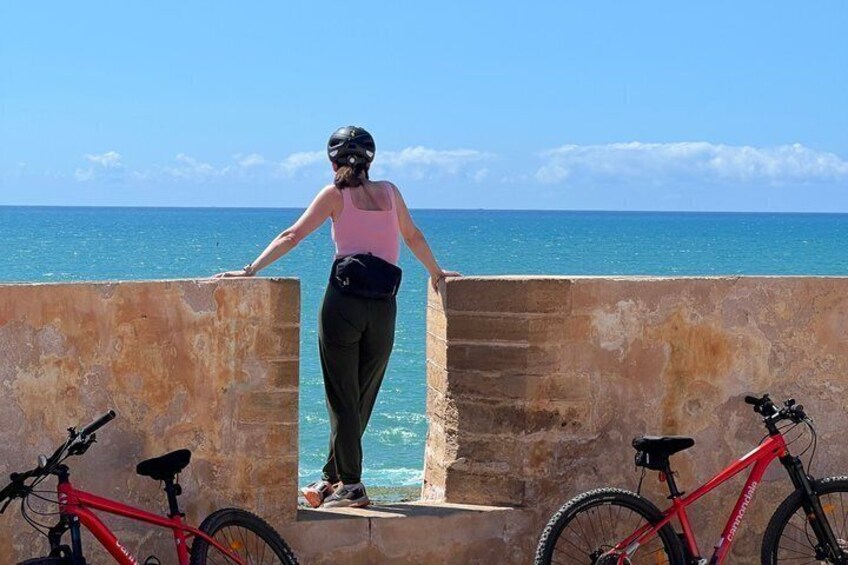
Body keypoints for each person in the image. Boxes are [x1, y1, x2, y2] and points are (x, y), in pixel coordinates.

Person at [215, 126, 459, 508]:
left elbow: (292, 235)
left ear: (332, 162)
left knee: (341, 396)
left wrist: (250, 270)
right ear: (371, 160)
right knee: (362, 396)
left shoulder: (334, 195)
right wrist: (437, 272)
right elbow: (412, 237)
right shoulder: (390, 193)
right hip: (384, 306)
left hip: (343, 305)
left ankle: (352, 485)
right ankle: (332, 478)